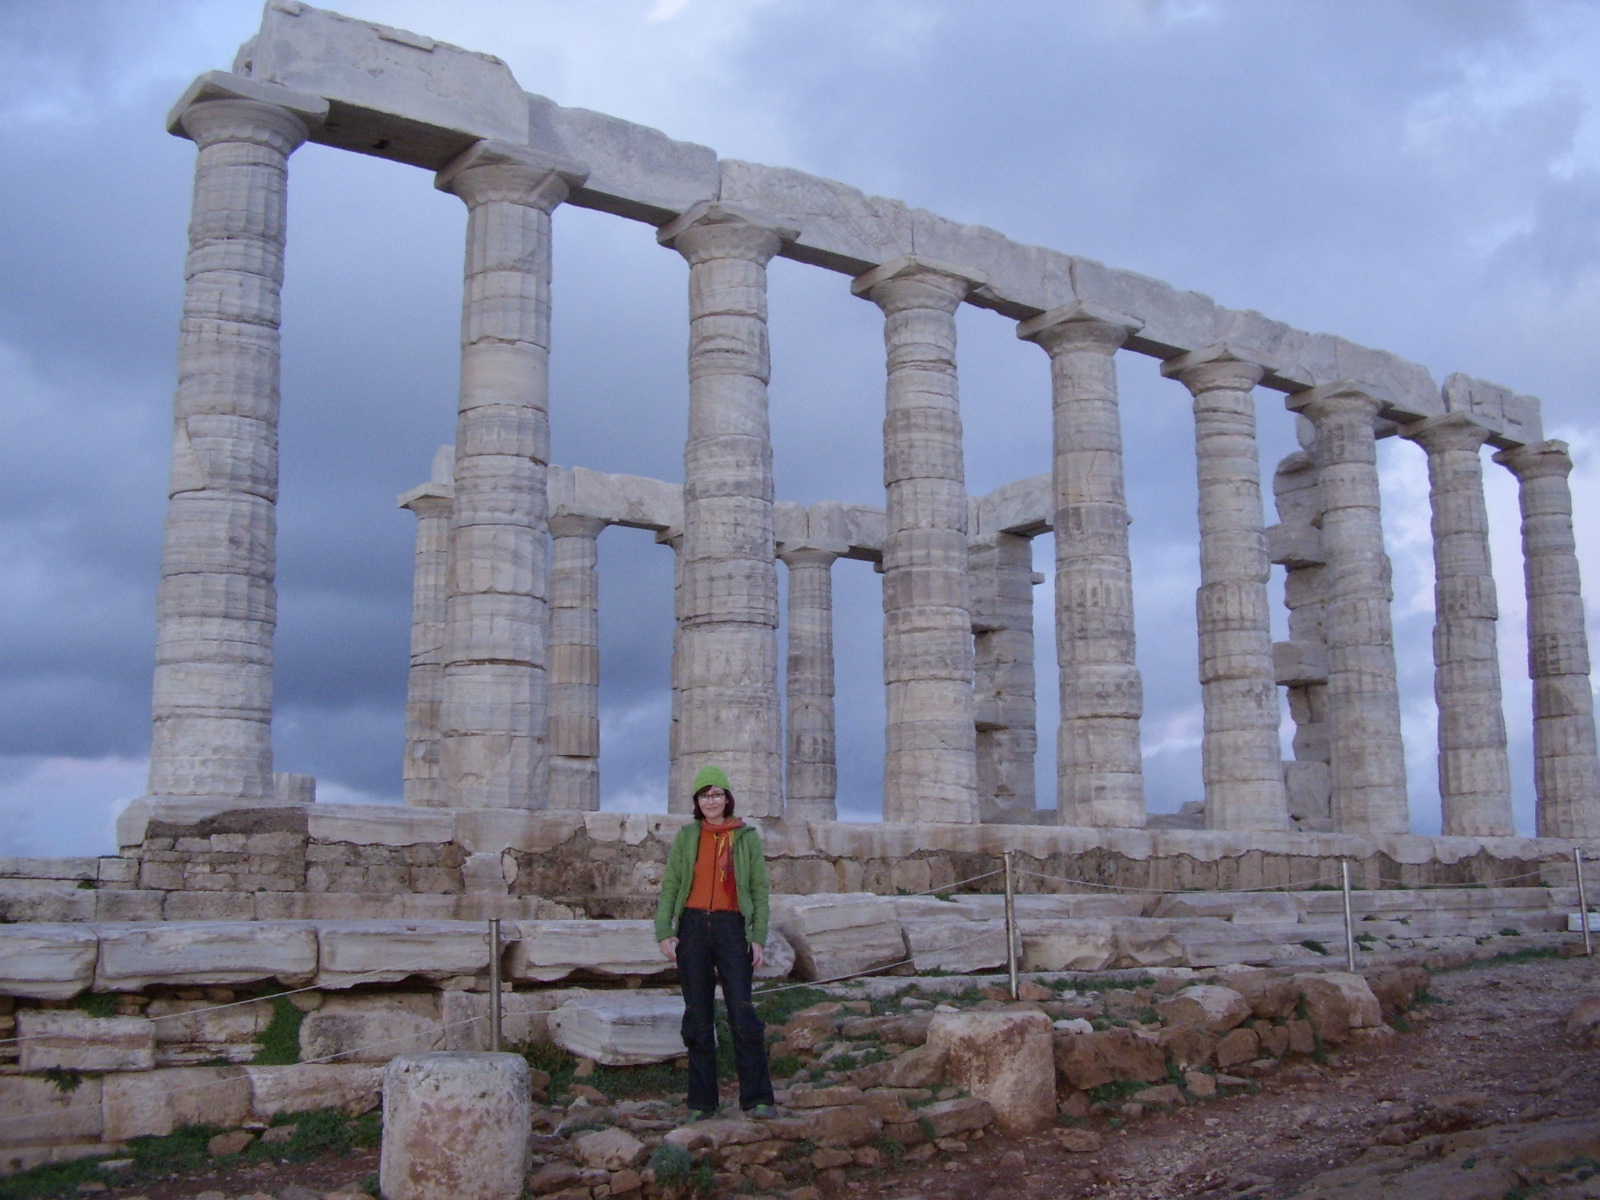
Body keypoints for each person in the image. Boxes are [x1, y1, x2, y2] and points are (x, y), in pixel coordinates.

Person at [655, 765, 777, 1120]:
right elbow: (672, 883)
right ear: (697, 801)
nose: (711, 801)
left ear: (727, 798)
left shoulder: (746, 837)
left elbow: (759, 890)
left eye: (717, 794)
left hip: (731, 927)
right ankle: (701, 1102)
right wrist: (664, 930)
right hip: (693, 926)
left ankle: (758, 1098)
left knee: (742, 1012)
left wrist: (758, 937)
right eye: (705, 795)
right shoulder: (686, 836)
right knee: (697, 1015)